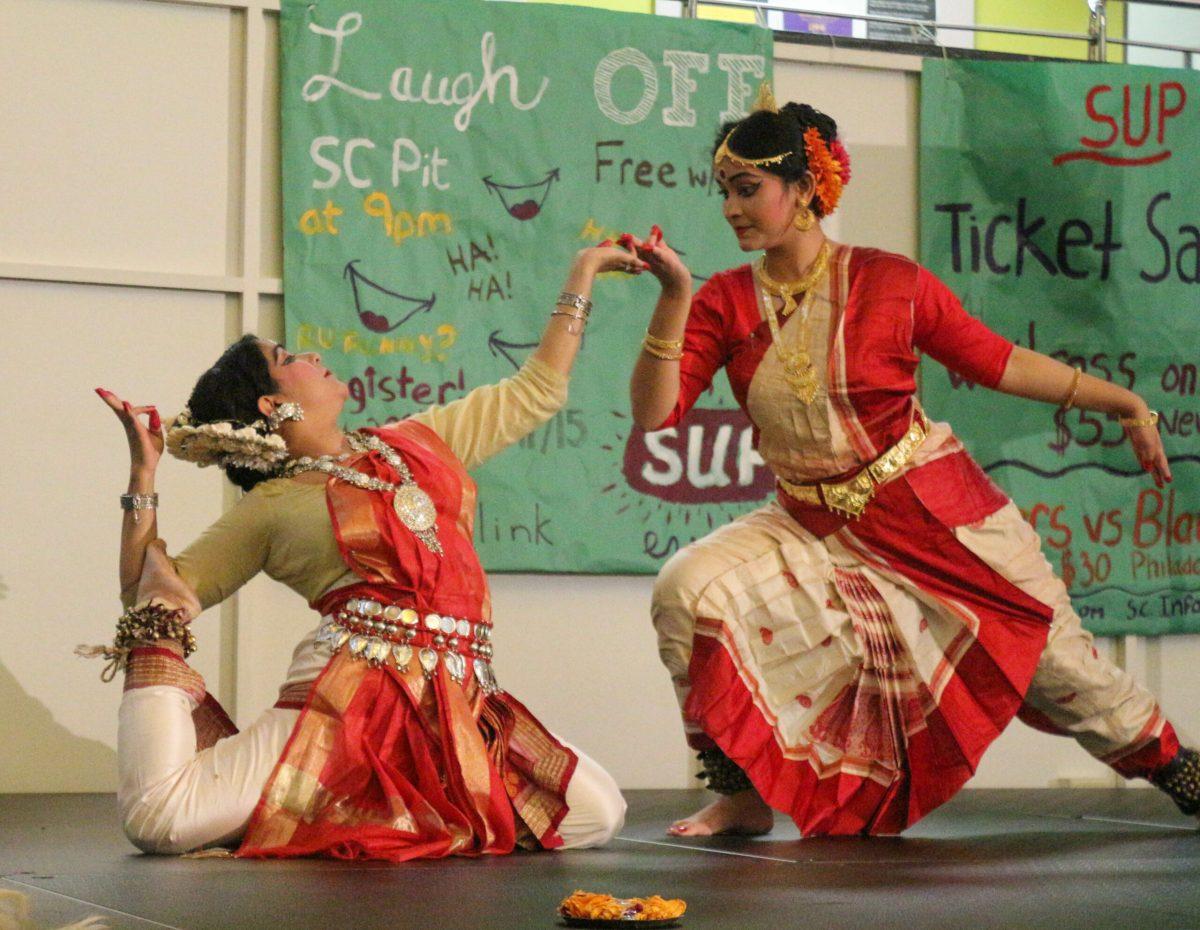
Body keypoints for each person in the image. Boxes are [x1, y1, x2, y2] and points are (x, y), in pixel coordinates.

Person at [623, 86, 1195, 838]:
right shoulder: (724, 301)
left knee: (1061, 669)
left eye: (747, 189)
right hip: (808, 520)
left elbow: (996, 362)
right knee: (685, 589)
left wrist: (1123, 402)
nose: (730, 207)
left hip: (932, 513)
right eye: (725, 190)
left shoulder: (889, 282)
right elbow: (654, 414)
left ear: (804, 190)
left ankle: (1176, 769)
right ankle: (739, 793)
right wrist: (674, 297)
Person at [90, 243, 645, 859]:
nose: (314, 356)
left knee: (597, 814)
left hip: (453, 702)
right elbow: (152, 594)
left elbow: (536, 390)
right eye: (288, 358)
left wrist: (583, 272)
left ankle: (340, 812)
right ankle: (317, 799)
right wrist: (143, 475)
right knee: (161, 824)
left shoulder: (416, 444)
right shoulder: (270, 506)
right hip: (341, 702)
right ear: (273, 406)